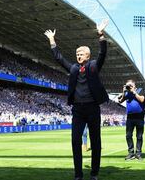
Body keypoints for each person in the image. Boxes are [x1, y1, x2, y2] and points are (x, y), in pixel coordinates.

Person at [44, 19, 109, 180]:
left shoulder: (93, 66)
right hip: (78, 110)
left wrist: (100, 35)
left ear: (88, 55)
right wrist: (52, 41)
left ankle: (94, 173)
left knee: (95, 142)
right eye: (77, 54)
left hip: (93, 108)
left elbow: (103, 54)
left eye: (81, 54)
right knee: (75, 141)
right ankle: (78, 174)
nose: (78, 56)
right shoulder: (73, 68)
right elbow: (59, 58)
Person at [119, 79, 145, 161]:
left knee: (139, 136)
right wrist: (124, 92)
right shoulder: (126, 93)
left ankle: (138, 153)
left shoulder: (140, 90)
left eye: (130, 85)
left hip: (139, 116)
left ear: (134, 86)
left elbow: (142, 99)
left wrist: (134, 92)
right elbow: (120, 101)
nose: (129, 87)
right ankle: (131, 153)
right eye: (128, 85)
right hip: (130, 117)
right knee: (128, 135)